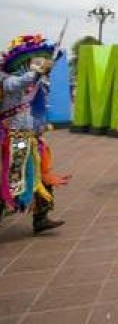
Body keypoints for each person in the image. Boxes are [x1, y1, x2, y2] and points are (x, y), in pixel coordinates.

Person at [0, 34, 69, 234]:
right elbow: (17, 84)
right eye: (31, 61)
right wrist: (35, 74)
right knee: (13, 177)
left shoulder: (35, 83)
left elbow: (37, 106)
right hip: (11, 138)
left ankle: (41, 217)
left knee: (40, 173)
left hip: (28, 137)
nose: (34, 63)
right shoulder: (6, 79)